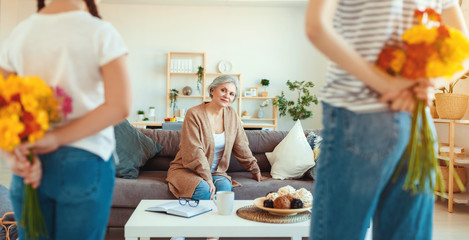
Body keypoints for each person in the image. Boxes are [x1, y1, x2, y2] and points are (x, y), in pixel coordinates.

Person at [305, 0, 467, 239]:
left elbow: (316, 27)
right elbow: (463, 51)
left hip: (359, 114)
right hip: (418, 122)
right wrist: (430, 86)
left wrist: (388, 85)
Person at [0, 0, 131, 239]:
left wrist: (12, 154)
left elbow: (3, 105)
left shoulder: (20, 33)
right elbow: (120, 106)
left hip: (29, 162)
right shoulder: (100, 31)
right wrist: (55, 138)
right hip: (85, 162)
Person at [167, 75, 265, 201]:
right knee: (204, 189)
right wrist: (207, 178)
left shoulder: (232, 115)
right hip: (188, 170)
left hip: (217, 172)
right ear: (212, 90)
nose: (227, 96)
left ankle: (217, 221)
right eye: (223, 90)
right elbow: (194, 150)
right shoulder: (194, 114)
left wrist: (255, 170)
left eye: (231, 94)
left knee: (224, 189)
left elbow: (241, 146)